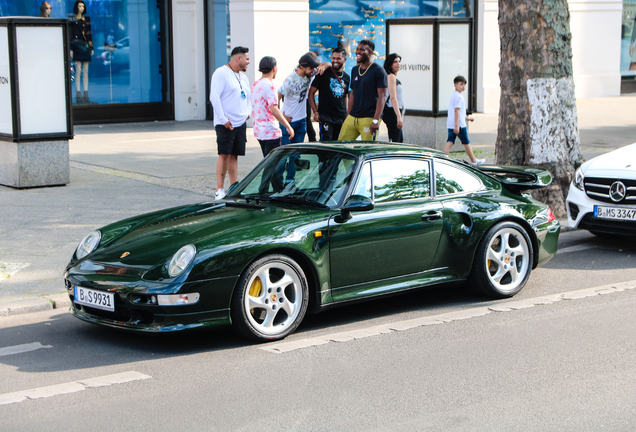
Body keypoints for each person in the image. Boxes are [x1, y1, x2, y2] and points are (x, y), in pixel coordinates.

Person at [210, 46, 251, 200]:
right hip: (226, 122)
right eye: (246, 59)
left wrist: (248, 113)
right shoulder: (221, 73)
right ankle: (219, 189)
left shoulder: (243, 77)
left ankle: (234, 186)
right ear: (238, 58)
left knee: (235, 154)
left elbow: (248, 97)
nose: (248, 62)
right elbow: (215, 97)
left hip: (240, 122)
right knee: (224, 154)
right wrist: (223, 119)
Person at [338, 40, 388, 141]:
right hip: (353, 117)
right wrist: (348, 114)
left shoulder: (378, 70)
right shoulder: (355, 70)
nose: (358, 52)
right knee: (341, 145)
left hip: (369, 118)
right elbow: (352, 93)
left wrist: (375, 120)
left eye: (362, 50)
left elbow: (382, 96)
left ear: (370, 52)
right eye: (357, 49)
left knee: (367, 149)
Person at [251, 56, 294, 157]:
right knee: (272, 165)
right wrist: (288, 126)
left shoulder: (255, 85)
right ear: (274, 68)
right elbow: (274, 108)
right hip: (270, 131)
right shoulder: (270, 86)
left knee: (267, 161)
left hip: (258, 130)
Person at [277, 53, 322, 145]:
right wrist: (281, 116)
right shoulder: (290, 80)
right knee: (286, 152)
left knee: (297, 153)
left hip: (302, 120)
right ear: (302, 67)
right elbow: (276, 98)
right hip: (289, 121)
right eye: (310, 68)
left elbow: (326, 64)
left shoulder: (308, 76)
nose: (312, 71)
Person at [309, 46, 350, 142]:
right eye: (333, 58)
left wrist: (346, 113)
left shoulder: (347, 77)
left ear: (344, 60)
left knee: (338, 144)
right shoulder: (323, 73)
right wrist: (315, 112)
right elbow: (311, 93)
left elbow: (346, 96)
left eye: (338, 58)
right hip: (326, 117)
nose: (335, 61)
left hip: (340, 117)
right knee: (326, 143)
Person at [443, 75, 484, 165]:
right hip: (459, 125)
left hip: (452, 123)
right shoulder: (459, 97)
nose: (463, 86)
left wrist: (467, 118)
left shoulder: (455, 95)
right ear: (455, 85)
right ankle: (474, 161)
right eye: (461, 84)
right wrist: (457, 126)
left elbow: (460, 112)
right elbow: (457, 111)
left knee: (450, 141)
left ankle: (443, 159)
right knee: (466, 142)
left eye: (464, 85)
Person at [69, 1, 95, 105]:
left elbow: (89, 34)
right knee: (78, 71)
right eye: (79, 6)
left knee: (86, 71)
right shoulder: (72, 19)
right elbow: (70, 35)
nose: (81, 8)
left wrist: (91, 47)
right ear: (76, 7)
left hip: (85, 46)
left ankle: (86, 93)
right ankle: (78, 94)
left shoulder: (87, 19)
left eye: (83, 6)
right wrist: (71, 49)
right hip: (76, 47)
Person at [383, 53, 404, 143]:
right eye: (395, 62)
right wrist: (399, 117)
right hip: (392, 111)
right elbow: (393, 97)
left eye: (399, 61)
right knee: (396, 141)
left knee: (398, 139)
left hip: (394, 111)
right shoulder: (390, 76)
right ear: (390, 63)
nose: (398, 64)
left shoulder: (392, 77)